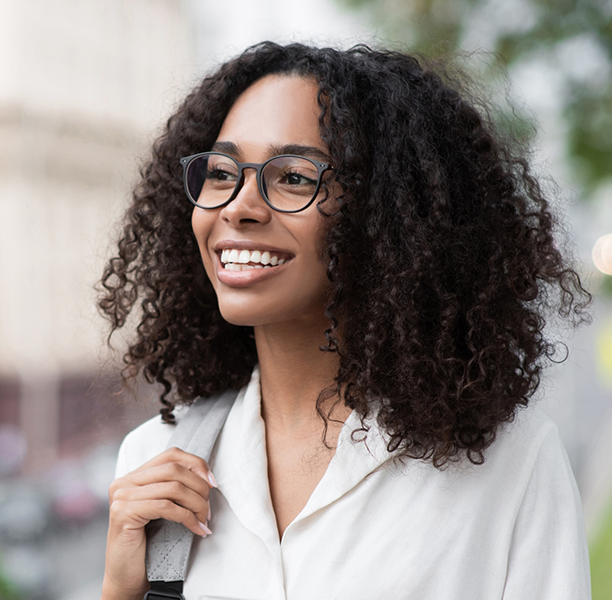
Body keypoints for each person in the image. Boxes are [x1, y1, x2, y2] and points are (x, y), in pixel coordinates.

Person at [98, 42, 592, 600]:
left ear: (386, 214)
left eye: (294, 178)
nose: (239, 206)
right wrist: (120, 590)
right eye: (220, 172)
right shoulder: (154, 463)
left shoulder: (511, 465)